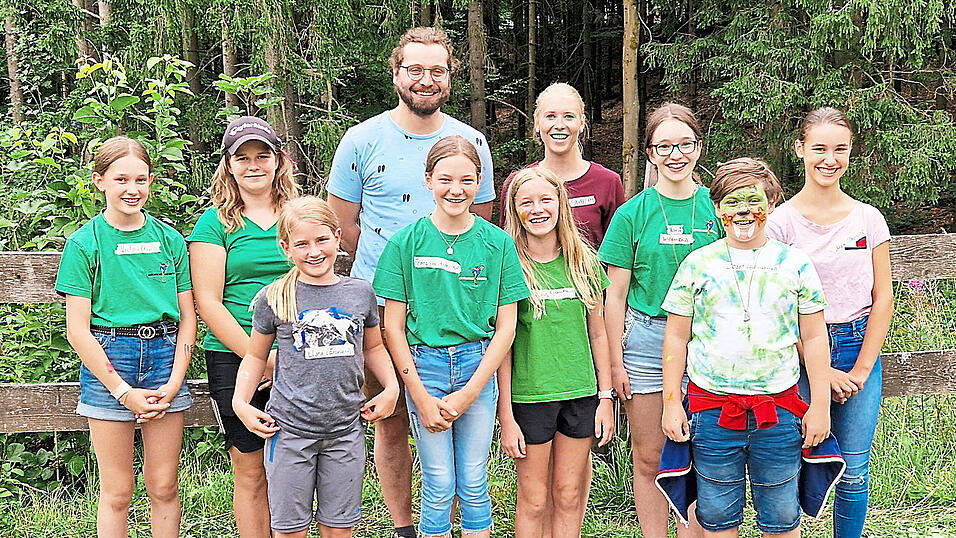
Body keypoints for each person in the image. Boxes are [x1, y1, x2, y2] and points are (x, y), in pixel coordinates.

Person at [326, 27, 495, 538]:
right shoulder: (362, 139)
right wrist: (395, 273)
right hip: (380, 310)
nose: (426, 79)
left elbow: (482, 225)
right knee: (392, 418)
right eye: (415, 69)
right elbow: (343, 225)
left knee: (458, 430)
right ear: (397, 73)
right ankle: (405, 525)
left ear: (450, 76)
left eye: (437, 70)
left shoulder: (471, 144)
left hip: (455, 315)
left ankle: (465, 521)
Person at [660, 157, 832, 537]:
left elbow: (816, 338)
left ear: (771, 204)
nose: (743, 212)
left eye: (752, 201)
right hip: (712, 414)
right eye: (732, 202)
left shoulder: (795, 265)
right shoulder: (697, 265)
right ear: (717, 208)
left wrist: (820, 405)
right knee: (717, 519)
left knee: (782, 518)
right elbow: (676, 336)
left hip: (780, 414)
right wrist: (672, 402)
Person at [372, 136, 529, 538]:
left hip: (479, 365)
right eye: (445, 179)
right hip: (424, 367)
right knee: (439, 481)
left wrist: (473, 390)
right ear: (428, 181)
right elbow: (392, 326)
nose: (456, 190)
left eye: (466, 180)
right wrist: (420, 396)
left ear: (479, 183)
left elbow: (506, 326)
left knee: (474, 481)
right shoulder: (405, 243)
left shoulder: (498, 244)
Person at [231, 196, 399, 538]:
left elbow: (374, 347)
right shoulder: (274, 297)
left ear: (338, 237)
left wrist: (392, 387)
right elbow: (255, 356)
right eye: (301, 244)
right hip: (289, 431)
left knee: (339, 529)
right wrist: (240, 403)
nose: (314, 251)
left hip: (345, 431)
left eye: (321, 240)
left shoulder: (360, 293)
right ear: (286, 247)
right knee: (290, 531)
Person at [56, 136, 195, 537]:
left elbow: (188, 318)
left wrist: (172, 384)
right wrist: (121, 391)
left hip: (166, 358)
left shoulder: (170, 240)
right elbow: (77, 330)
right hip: (108, 362)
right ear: (99, 181)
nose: (132, 189)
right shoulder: (85, 244)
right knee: (117, 491)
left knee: (164, 485)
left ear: (151, 181)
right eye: (120, 179)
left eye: (140, 179)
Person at [766, 107, 893, 538]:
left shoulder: (868, 219)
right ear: (800, 149)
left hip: (859, 348)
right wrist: (822, 370)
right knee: (793, 460)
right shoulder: (780, 223)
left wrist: (858, 370)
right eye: (818, 147)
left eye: (840, 149)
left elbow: (883, 299)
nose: (829, 158)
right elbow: (777, 307)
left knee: (854, 470)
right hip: (797, 351)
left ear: (851, 153)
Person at [599, 103, 718, 537]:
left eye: (685, 144)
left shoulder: (716, 208)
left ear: (698, 147)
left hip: (709, 344)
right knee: (650, 455)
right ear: (649, 152)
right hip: (647, 340)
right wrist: (613, 366)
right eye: (664, 146)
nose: (675, 154)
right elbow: (613, 296)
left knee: (706, 455)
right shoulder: (633, 214)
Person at [188, 116, 299, 537]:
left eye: (262, 155)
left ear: (278, 161)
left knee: (295, 466)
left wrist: (281, 356)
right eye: (242, 157)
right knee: (251, 469)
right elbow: (208, 303)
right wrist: (260, 357)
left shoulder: (297, 214)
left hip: (300, 352)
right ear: (228, 166)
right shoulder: (214, 224)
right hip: (235, 355)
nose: (254, 165)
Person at [498, 167, 615, 537]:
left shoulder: (584, 262)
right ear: (513, 210)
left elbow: (599, 334)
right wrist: (506, 416)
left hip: (580, 395)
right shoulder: (508, 266)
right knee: (533, 499)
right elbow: (503, 347)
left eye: (546, 199)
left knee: (568, 494)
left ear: (561, 204)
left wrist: (606, 396)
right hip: (531, 398)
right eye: (526, 202)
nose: (537, 209)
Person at [499, 82, 624, 249]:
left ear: (581, 123)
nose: (559, 125)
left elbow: (618, 255)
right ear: (537, 123)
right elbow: (505, 250)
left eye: (568, 116)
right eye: (550, 116)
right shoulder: (517, 183)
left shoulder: (608, 182)